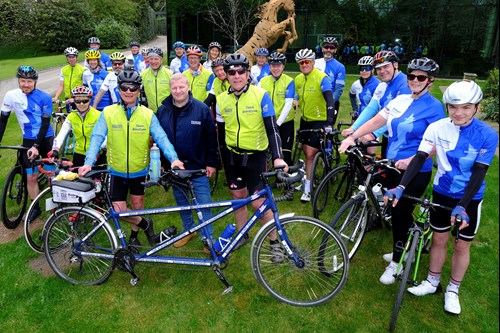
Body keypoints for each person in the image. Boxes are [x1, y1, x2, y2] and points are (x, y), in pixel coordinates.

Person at [384, 80, 498, 314]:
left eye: (465, 107)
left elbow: (479, 172)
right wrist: (401, 187)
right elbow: (419, 157)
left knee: (461, 245)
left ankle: (453, 290)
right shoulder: (437, 127)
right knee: (438, 239)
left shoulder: (487, 134)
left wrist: (463, 206)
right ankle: (432, 282)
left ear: (476, 107)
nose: (458, 113)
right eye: (453, 107)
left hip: (470, 198)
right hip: (442, 191)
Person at [339, 57, 446, 285]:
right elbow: (377, 120)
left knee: (398, 211)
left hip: (417, 168)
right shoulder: (400, 99)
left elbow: (440, 142)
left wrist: (412, 159)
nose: (415, 80)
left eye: (421, 77)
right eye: (412, 76)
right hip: (392, 163)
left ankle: (397, 261)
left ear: (430, 81)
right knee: (396, 209)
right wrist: (353, 136)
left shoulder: (434, 107)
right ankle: (406, 242)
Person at [78, 69, 184, 248]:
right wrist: (88, 163)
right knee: (119, 211)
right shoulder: (109, 112)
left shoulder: (148, 114)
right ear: (118, 89)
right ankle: (146, 224)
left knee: (137, 206)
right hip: (116, 171)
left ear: (138, 90)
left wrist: (174, 159)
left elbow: (162, 138)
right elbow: (97, 137)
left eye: (132, 88)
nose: (128, 92)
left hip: (138, 170)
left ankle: (134, 236)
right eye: (124, 88)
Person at [217, 53, 287, 251]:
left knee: (258, 202)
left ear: (248, 73)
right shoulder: (222, 100)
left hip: (256, 156)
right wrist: (223, 162)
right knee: (237, 197)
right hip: (232, 157)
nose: (237, 76)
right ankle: (241, 234)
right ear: (227, 75)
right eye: (232, 72)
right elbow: (221, 135)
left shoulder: (260, 95)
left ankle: (274, 241)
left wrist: (278, 157)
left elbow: (272, 128)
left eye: (241, 71)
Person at [156, 73, 218, 252]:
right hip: (174, 168)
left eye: (181, 87)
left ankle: (208, 239)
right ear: (170, 89)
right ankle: (189, 230)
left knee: (203, 203)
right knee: (182, 201)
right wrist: (162, 162)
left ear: (188, 87)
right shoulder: (163, 110)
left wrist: (211, 163)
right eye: (174, 88)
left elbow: (211, 138)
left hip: (197, 166)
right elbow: (160, 139)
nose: (178, 91)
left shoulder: (201, 109)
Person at [0, 66, 55, 222]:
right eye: (23, 81)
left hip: (46, 139)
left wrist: (36, 146)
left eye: (29, 81)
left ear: (35, 81)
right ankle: (35, 208)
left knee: (51, 175)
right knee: (31, 177)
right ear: (18, 81)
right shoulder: (11, 96)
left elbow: (45, 124)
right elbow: (3, 121)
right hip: (28, 139)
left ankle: (57, 207)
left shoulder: (44, 97)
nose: (26, 84)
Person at [342, 50, 411, 156]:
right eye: (379, 68)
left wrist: (374, 134)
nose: (382, 71)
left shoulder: (405, 84)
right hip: (388, 136)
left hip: (403, 140)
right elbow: (371, 108)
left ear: (395, 65)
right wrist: (354, 127)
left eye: (386, 66)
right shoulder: (383, 85)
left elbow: (397, 117)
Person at [294, 48, 335, 202]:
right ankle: (307, 179)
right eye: (301, 62)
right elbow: (296, 95)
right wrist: (295, 100)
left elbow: (330, 100)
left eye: (307, 62)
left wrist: (329, 122)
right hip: (305, 120)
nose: (304, 65)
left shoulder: (321, 77)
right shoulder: (298, 79)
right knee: (305, 152)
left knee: (310, 154)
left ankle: (309, 188)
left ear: (312, 62)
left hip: (319, 121)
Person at [50, 86, 106, 167]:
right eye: (78, 101)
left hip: (96, 152)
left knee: (96, 179)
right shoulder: (71, 116)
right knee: (76, 178)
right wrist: (55, 149)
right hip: (79, 152)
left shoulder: (98, 115)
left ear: (90, 100)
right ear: (74, 101)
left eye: (84, 100)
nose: (81, 104)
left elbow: (106, 136)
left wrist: (99, 148)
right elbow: (61, 135)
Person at [258, 52, 295, 165]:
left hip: (284, 122)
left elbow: (288, 104)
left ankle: (288, 179)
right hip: (268, 121)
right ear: (269, 66)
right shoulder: (263, 81)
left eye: (278, 65)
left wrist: (277, 123)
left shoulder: (289, 81)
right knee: (265, 151)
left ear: (283, 66)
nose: (275, 68)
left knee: (286, 154)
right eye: (273, 65)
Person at [203, 58, 231, 174]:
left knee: (231, 144)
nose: (219, 73)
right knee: (222, 144)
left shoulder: (233, 79)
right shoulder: (216, 82)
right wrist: (197, 109)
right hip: (220, 118)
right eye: (216, 71)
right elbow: (210, 98)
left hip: (233, 118)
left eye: (221, 69)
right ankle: (228, 168)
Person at [314, 36, 346, 113]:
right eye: (326, 47)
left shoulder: (340, 67)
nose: (328, 50)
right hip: (314, 100)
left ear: (335, 50)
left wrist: (330, 103)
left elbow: (338, 89)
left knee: (328, 125)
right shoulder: (314, 63)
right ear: (322, 48)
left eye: (331, 48)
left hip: (331, 101)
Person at [141, 47, 173, 113]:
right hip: (151, 112)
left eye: (156, 59)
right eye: (151, 59)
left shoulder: (169, 73)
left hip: (167, 111)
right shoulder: (143, 74)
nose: (153, 61)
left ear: (161, 60)